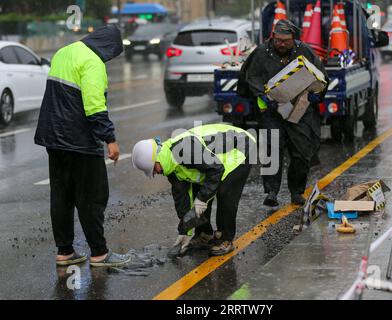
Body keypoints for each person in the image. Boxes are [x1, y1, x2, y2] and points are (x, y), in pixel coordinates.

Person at [34, 26, 130, 267]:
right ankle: (100, 253)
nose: (110, 58)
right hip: (79, 141)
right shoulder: (93, 62)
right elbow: (94, 106)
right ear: (109, 46)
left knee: (62, 196)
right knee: (93, 197)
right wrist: (110, 140)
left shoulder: (64, 52)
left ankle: (65, 251)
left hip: (53, 138)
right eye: (112, 53)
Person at [238, 19, 329, 207]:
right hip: (271, 112)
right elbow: (250, 79)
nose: (281, 44)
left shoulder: (304, 51)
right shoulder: (262, 53)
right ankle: (271, 191)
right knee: (272, 151)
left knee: (301, 153)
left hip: (299, 111)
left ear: (293, 39)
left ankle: (296, 192)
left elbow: (321, 76)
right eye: (278, 40)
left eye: (286, 41)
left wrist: (315, 94)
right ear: (273, 37)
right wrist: (265, 98)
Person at [132, 124, 255, 256]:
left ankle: (225, 239)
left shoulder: (186, 149)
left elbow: (216, 170)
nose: (156, 173)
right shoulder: (170, 168)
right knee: (199, 191)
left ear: (157, 158)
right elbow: (182, 200)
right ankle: (204, 234)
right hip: (215, 162)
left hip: (241, 146)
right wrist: (185, 231)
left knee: (225, 191)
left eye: (153, 169)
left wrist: (203, 199)